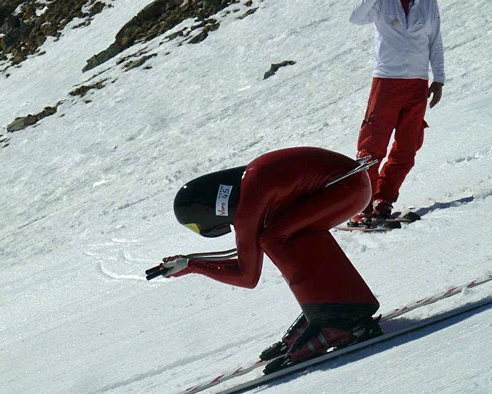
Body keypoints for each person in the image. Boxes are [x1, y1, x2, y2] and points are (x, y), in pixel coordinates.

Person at [156, 147, 382, 368]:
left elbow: (248, 276)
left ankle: (339, 321)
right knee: (288, 232)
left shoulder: (248, 207)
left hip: (347, 187)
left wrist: (195, 266)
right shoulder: (250, 184)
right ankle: (338, 306)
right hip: (350, 184)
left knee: (275, 237)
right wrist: (190, 262)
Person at [348, 0, 445, 226]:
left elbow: (434, 39)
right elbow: (355, 17)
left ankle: (384, 200)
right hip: (386, 81)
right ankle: (362, 205)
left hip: (418, 82)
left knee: (407, 147)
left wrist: (438, 78)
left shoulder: (427, 3)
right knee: (371, 147)